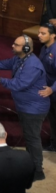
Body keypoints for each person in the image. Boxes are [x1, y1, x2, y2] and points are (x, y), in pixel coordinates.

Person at [0, 35, 49, 180]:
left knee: (32, 138)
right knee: (30, 137)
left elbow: (19, 84)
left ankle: (37, 171)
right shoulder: (19, 58)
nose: (12, 46)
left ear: (26, 48)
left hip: (33, 109)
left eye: (16, 45)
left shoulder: (32, 65)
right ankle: (31, 165)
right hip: (25, 106)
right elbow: (3, 63)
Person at [38, 23, 56, 152]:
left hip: (53, 89)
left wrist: (52, 89)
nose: (39, 35)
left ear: (53, 35)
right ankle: (54, 143)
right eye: (39, 32)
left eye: (43, 33)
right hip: (48, 88)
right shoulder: (44, 48)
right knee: (53, 118)